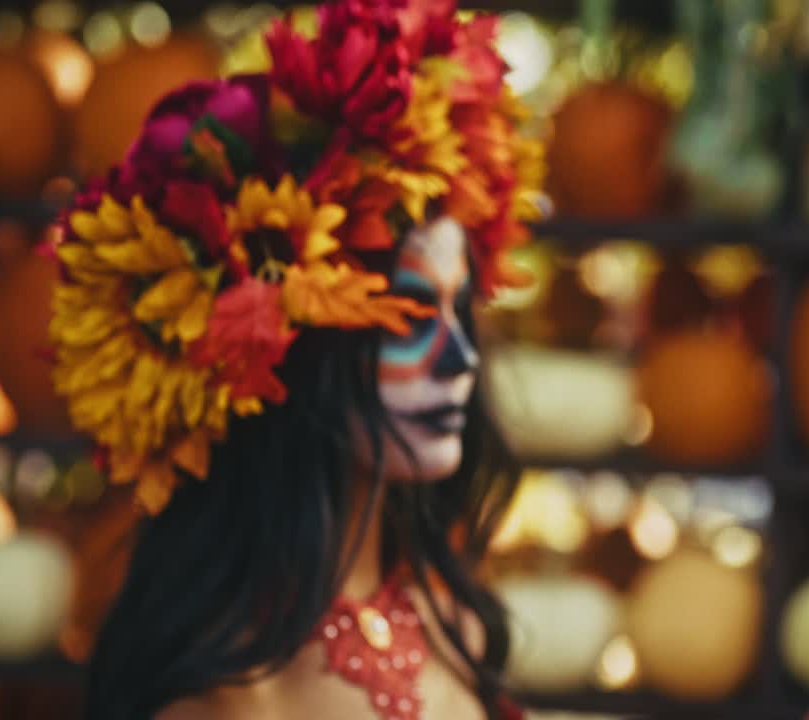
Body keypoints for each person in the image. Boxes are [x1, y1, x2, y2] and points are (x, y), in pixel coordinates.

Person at [48, 2, 543, 718]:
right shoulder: (228, 699)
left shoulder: (457, 628)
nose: (459, 359)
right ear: (291, 337)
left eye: (458, 311)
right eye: (410, 315)